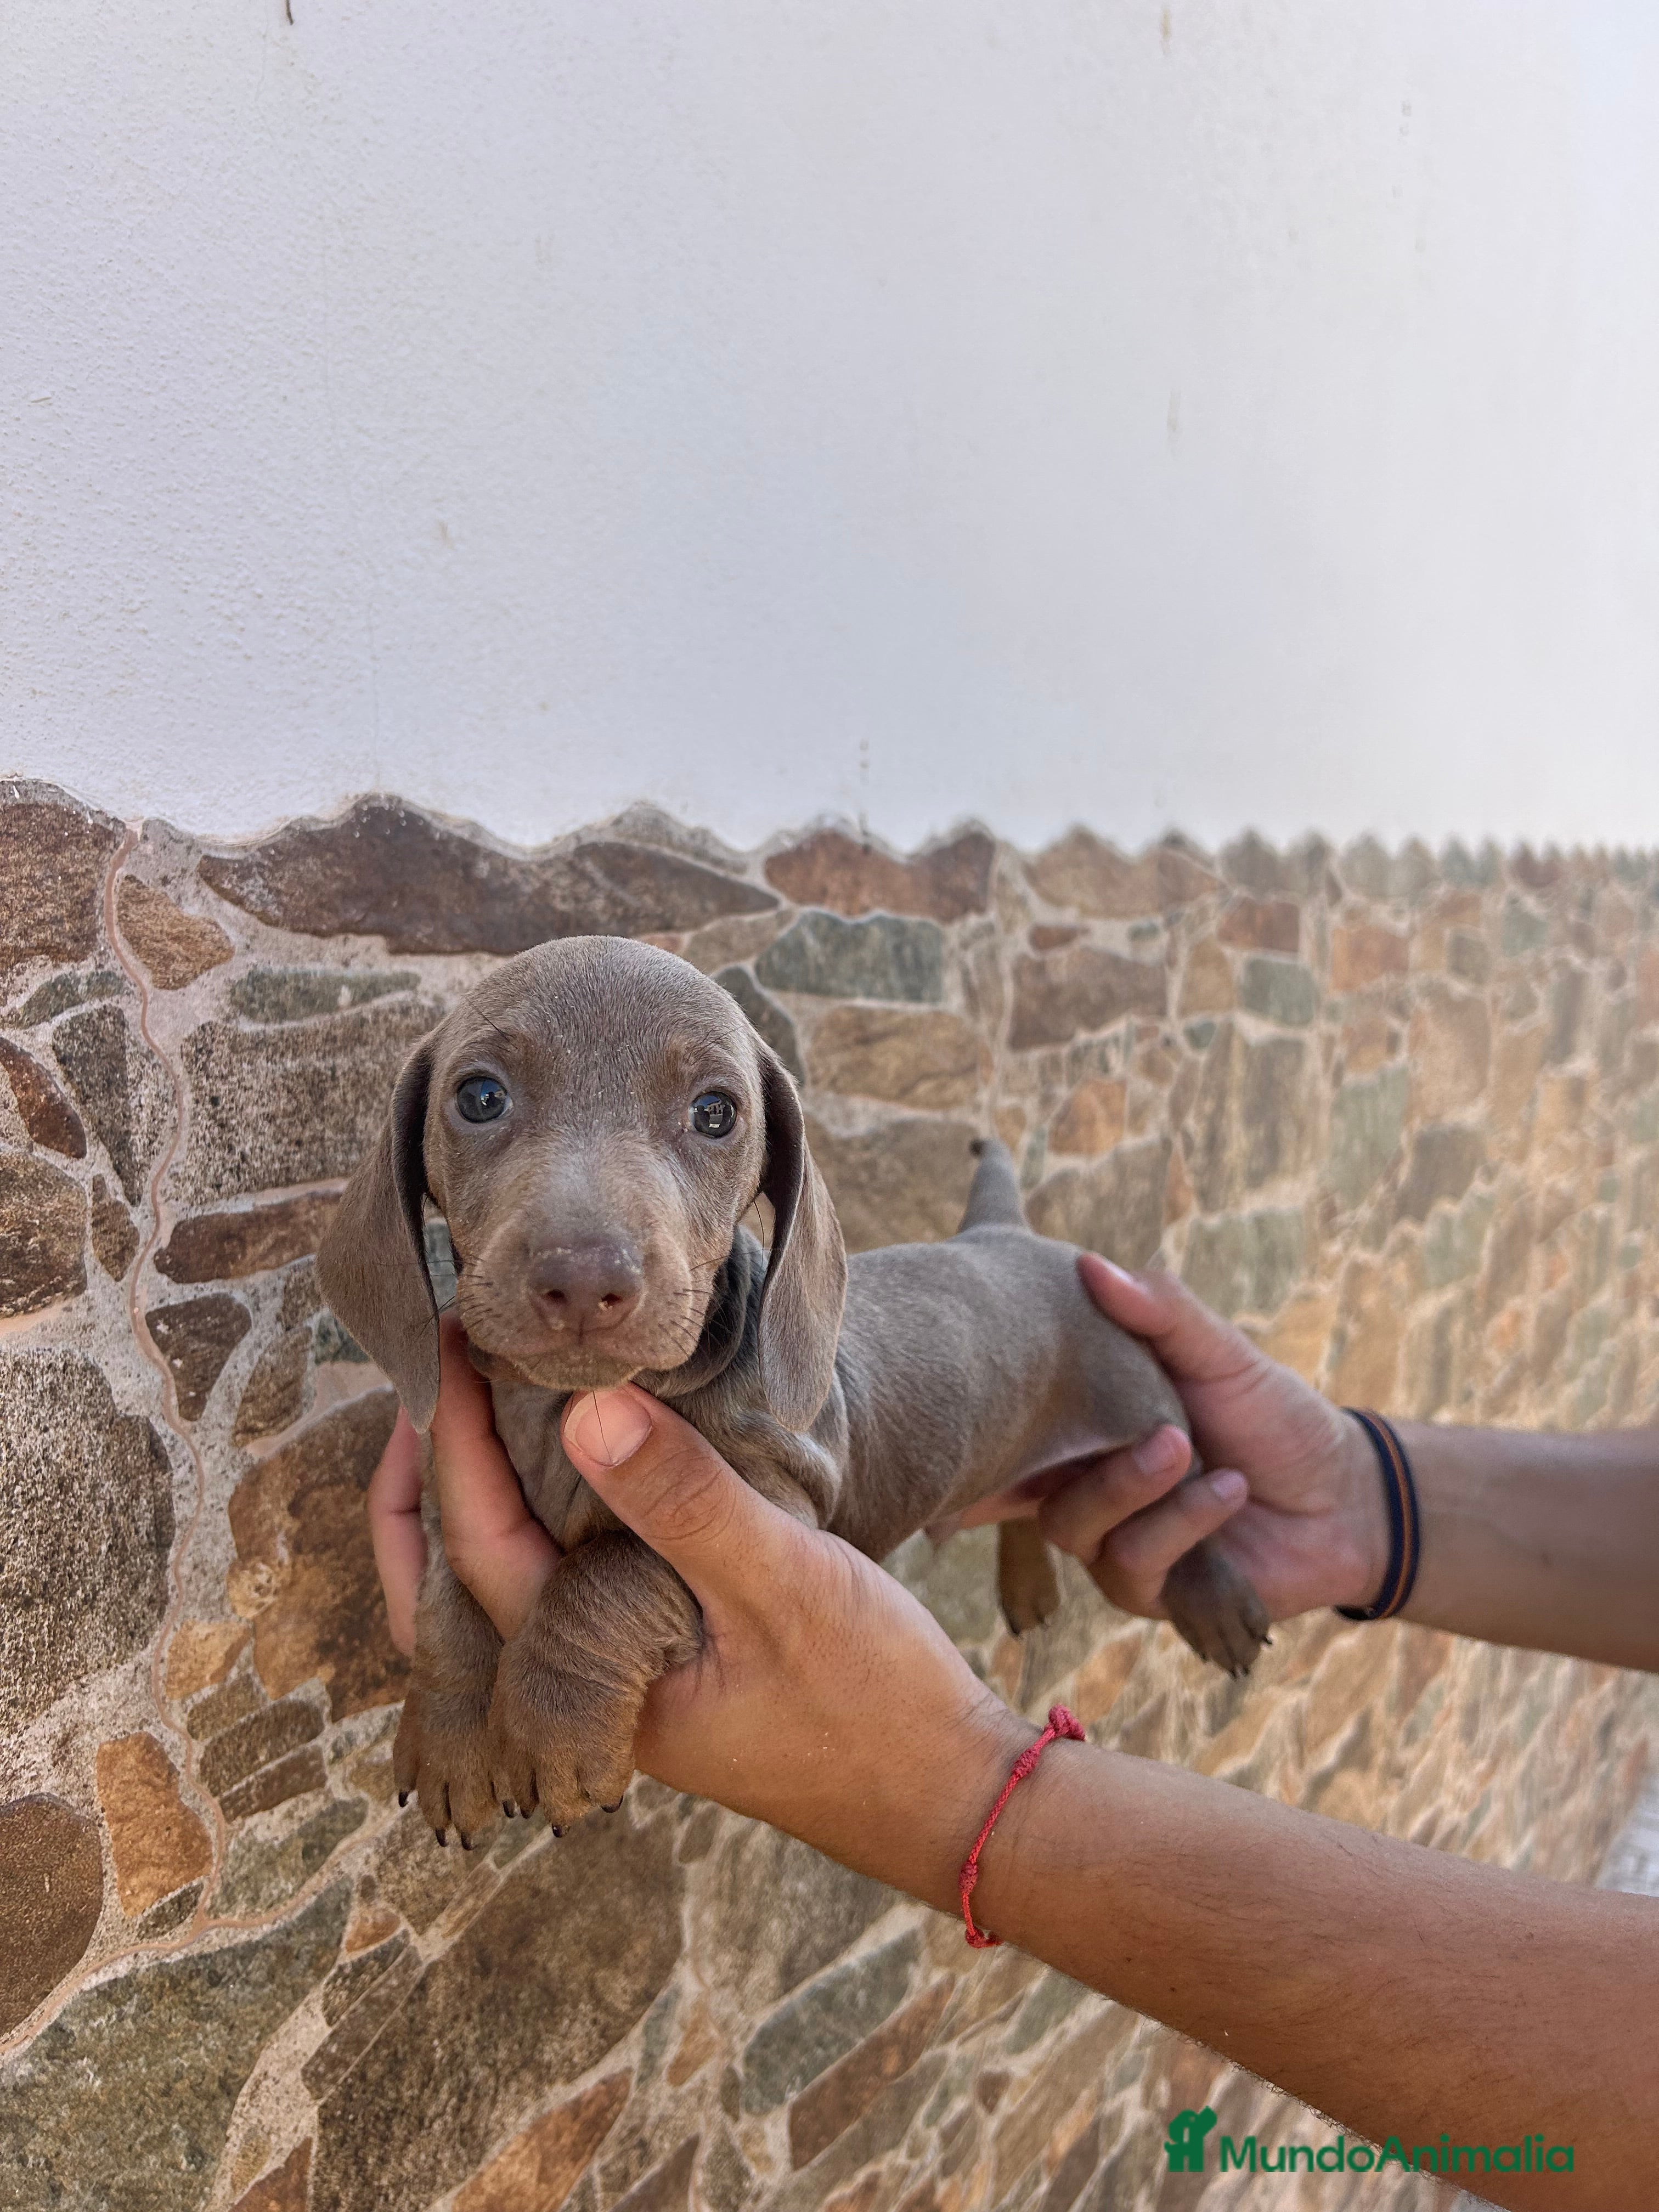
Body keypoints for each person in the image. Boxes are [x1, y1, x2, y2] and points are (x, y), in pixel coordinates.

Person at [368, 1256, 1659, 2211]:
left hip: (1065, 1361)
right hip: (1078, 1351)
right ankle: (1054, 1540)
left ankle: (1076, 1553)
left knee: (1153, 1485)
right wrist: (1368, 1496)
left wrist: (968, 1793)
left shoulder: (765, 1354)